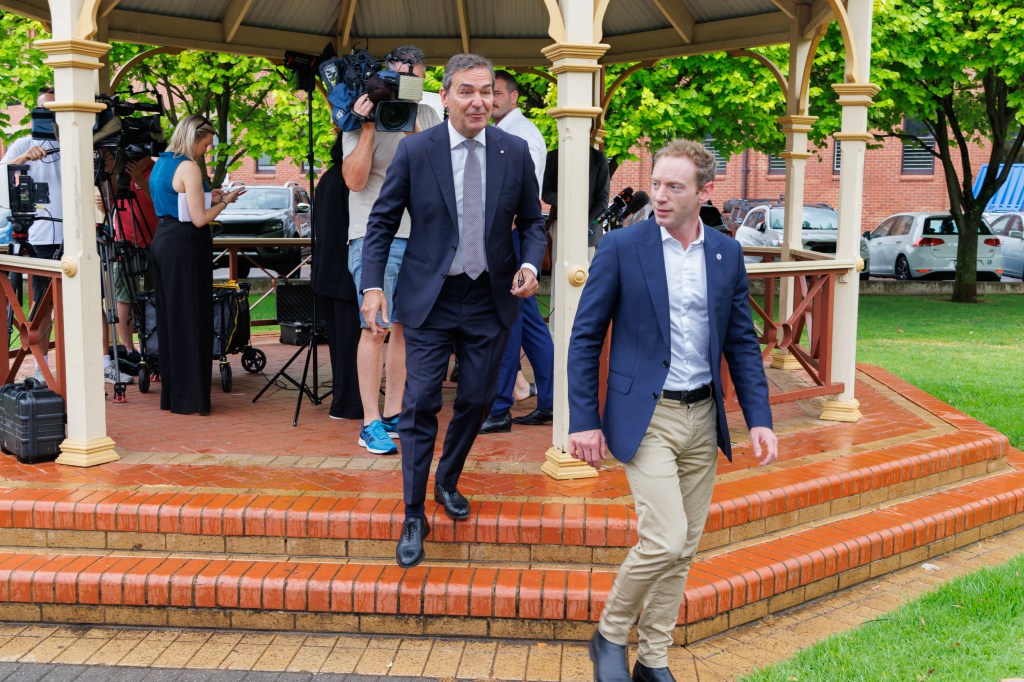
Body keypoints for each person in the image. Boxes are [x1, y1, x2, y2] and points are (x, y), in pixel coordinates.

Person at [567, 139, 778, 682]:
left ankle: (653, 659)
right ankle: (611, 635)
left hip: (703, 418)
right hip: (648, 416)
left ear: (704, 192)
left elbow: (741, 342)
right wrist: (583, 420)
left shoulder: (725, 254)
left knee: (683, 546)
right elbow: (585, 338)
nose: (659, 195)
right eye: (656, 183)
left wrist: (759, 418)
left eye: (673, 187)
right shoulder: (622, 247)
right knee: (663, 537)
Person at [360, 53, 547, 569]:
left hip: (492, 299)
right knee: (420, 403)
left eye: (486, 91)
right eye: (466, 91)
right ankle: (413, 513)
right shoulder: (416, 150)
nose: (478, 101)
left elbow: (533, 222)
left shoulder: (514, 151)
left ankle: (448, 478)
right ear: (443, 97)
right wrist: (373, 285)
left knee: (477, 402)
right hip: (431, 299)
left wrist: (530, 265)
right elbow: (380, 223)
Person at [343, 45, 442, 455]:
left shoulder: (430, 115)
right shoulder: (360, 113)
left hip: (417, 236)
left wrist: (411, 130)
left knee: (404, 329)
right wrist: (368, 127)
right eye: (397, 78)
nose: (404, 86)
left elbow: (440, 171)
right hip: (372, 235)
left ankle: (396, 413)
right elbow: (353, 180)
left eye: (413, 78)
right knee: (376, 328)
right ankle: (370, 422)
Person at [149, 115, 244, 415]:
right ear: (194, 139)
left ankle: (174, 394)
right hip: (185, 245)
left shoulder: (161, 163)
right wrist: (225, 200)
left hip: (163, 239)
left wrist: (208, 196)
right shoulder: (188, 166)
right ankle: (192, 397)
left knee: (171, 318)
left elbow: (178, 202)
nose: (207, 150)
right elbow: (200, 218)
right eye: (206, 144)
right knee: (191, 317)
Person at [480, 69, 555, 433]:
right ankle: (554, 399)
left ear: (513, 98)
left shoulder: (523, 135)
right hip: (507, 236)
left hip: (510, 237)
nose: (488, 100)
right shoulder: (498, 133)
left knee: (506, 319)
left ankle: (499, 408)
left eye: (495, 93)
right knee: (528, 324)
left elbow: (523, 197)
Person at [1, 87, 64, 384]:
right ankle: (42, 368)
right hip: (38, 234)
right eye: (45, 110)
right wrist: (25, 158)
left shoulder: (73, 142)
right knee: (43, 304)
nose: (50, 115)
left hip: (75, 234)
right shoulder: (23, 142)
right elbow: (3, 177)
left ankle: (80, 363)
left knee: (82, 302)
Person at [313, 131, 363, 421]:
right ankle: (348, 404)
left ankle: (346, 401)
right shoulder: (348, 181)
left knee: (341, 345)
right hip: (345, 272)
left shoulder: (329, 178)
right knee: (351, 344)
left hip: (328, 271)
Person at [542, 127, 611, 259]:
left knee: (586, 276)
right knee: (559, 275)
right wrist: (565, 200)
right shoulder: (553, 157)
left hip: (588, 231)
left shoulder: (598, 158)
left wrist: (584, 225)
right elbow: (545, 192)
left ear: (590, 132)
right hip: (560, 225)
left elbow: (602, 200)